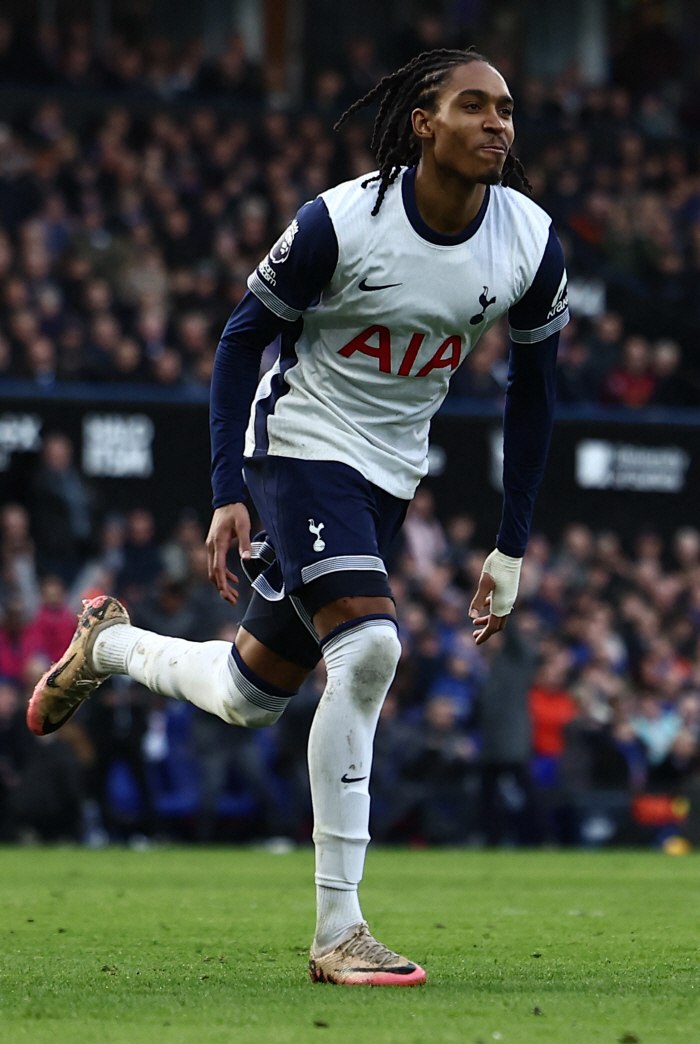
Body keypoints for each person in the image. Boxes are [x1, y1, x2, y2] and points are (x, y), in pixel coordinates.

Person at [27, 47, 568, 986]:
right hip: (300, 444)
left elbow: (536, 394)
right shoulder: (341, 221)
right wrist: (227, 487)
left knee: (250, 696)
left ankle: (107, 649)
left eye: (508, 110)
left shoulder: (529, 240)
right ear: (422, 125)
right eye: (474, 107)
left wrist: (511, 543)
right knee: (371, 651)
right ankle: (339, 930)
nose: (498, 125)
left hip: (389, 477)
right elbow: (243, 339)